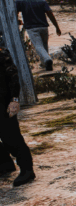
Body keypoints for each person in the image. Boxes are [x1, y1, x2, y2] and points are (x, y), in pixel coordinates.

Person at [0, 45, 35, 187]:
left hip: (3, 102)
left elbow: (13, 76)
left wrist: (14, 100)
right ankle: (5, 164)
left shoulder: (1, 54)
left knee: (11, 138)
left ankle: (27, 170)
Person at [15, 0, 62, 72]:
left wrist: (17, 21)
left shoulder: (20, 1)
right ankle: (45, 65)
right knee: (44, 46)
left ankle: (47, 60)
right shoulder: (42, 1)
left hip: (32, 28)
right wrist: (57, 27)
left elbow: (15, 13)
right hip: (44, 27)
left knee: (38, 46)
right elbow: (50, 14)